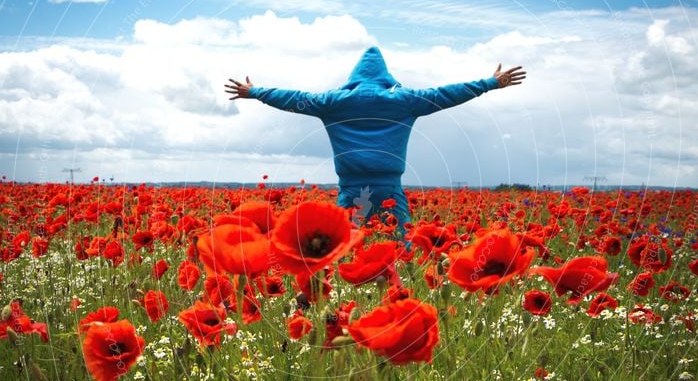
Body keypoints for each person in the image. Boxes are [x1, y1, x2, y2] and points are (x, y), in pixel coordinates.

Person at [225, 47, 526, 239]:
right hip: (389, 187)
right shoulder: (405, 100)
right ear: (386, 76)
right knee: (401, 245)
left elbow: (293, 99)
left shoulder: (332, 101)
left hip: (350, 188)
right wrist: (488, 83)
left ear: (353, 76)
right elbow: (445, 94)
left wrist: (256, 92)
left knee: (343, 245)